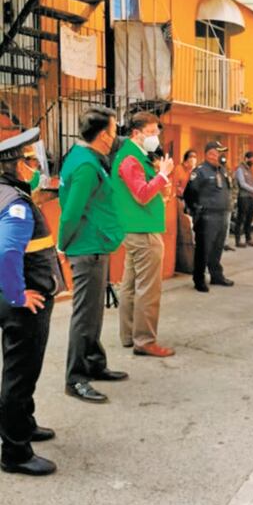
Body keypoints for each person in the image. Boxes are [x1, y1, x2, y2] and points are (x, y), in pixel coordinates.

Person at [0, 129, 63, 475]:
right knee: (21, 373)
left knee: (19, 370)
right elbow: (7, 251)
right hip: (24, 302)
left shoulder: (7, 194)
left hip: (10, 297)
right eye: (28, 160)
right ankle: (16, 452)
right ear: (12, 165)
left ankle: (21, 424)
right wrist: (18, 294)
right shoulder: (16, 206)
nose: (33, 165)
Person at [58, 107, 128, 404]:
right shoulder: (86, 165)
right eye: (113, 132)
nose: (114, 138)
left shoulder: (85, 158)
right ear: (102, 136)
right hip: (86, 248)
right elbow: (71, 213)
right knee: (85, 316)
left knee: (94, 311)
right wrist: (63, 245)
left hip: (94, 245)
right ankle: (76, 378)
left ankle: (95, 363)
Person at [110, 112, 175, 359]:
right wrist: (163, 174)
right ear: (136, 133)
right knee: (148, 288)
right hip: (143, 230)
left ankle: (129, 335)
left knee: (129, 285)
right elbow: (142, 194)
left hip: (135, 228)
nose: (156, 137)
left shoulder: (135, 156)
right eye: (152, 133)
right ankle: (145, 340)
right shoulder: (130, 159)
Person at [184, 141, 234, 292]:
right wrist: (196, 209)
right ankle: (198, 279)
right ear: (209, 154)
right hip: (207, 216)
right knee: (203, 249)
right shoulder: (200, 171)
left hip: (222, 214)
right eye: (218, 152)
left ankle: (216, 275)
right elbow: (189, 192)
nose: (220, 155)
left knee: (217, 247)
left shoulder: (222, 170)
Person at [234, 151, 253, 248]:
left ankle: (248, 238)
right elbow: (242, 184)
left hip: (250, 196)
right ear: (246, 158)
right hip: (243, 197)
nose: (252, 161)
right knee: (241, 218)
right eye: (251, 159)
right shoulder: (240, 169)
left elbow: (252, 182)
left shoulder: (250, 170)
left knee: (249, 218)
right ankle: (238, 240)